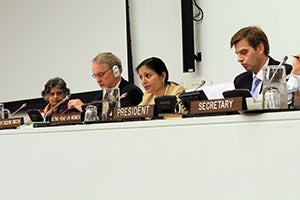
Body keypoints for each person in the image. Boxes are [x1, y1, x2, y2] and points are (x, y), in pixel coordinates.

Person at [230, 26, 292, 99]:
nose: (239, 59)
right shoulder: (240, 81)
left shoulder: (284, 72)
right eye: (237, 54)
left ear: (260, 48)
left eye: (244, 52)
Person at [68, 52, 143, 112]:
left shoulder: (131, 92)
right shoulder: (100, 96)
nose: (98, 80)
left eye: (100, 74)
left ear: (115, 71)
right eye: (95, 76)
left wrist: (84, 108)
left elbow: (116, 114)